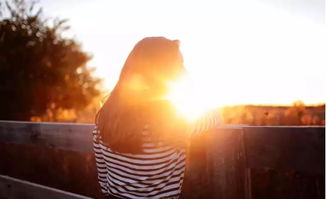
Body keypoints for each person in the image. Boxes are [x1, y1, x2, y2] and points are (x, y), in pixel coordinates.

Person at [93, 37, 220, 199]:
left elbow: (103, 180)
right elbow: (215, 117)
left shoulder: (104, 117)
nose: (185, 71)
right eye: (180, 65)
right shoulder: (173, 121)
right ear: (163, 72)